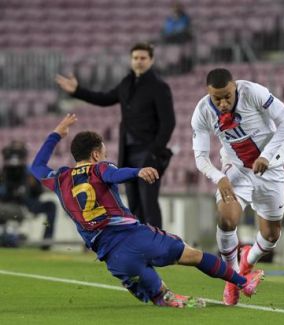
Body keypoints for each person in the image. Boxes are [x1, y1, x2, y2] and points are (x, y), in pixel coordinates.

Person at [30, 113, 264, 308]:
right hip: (135, 237)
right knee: (193, 255)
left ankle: (164, 296)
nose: (105, 156)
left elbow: (36, 166)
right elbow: (113, 174)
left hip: (113, 258)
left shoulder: (60, 178)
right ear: (95, 155)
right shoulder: (99, 168)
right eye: (103, 152)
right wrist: (136, 171)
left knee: (159, 296)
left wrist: (56, 134)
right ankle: (243, 282)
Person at [191, 68, 284, 305]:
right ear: (208, 93)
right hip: (236, 170)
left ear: (234, 87)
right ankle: (233, 279)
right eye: (217, 98)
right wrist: (219, 177)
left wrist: (267, 156)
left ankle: (248, 258)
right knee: (226, 218)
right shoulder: (202, 112)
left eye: (227, 96)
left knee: (271, 236)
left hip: (270, 168)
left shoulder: (253, 92)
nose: (223, 102)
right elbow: (200, 157)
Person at [55, 42, 175, 228]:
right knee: (134, 204)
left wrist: (154, 151)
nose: (139, 62)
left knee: (149, 203)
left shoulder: (159, 87)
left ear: (151, 60)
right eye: (135, 58)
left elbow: (168, 123)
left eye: (143, 58)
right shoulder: (127, 83)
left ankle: (158, 248)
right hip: (127, 151)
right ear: (131, 60)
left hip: (148, 152)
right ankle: (139, 248)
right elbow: (105, 99)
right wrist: (78, 91)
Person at [0, 140, 56, 250]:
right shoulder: (4, 173)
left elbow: (38, 193)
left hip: (29, 203)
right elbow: (2, 194)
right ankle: (6, 237)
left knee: (51, 206)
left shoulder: (29, 173)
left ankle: (46, 241)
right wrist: (11, 189)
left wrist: (34, 185)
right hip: (10, 205)